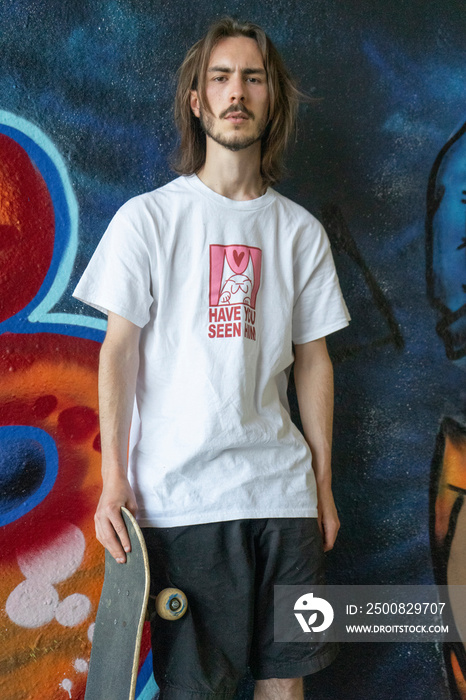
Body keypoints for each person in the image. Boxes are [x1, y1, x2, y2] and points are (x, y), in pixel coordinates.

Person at [74, 16, 350, 700]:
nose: (237, 92)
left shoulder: (300, 233)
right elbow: (119, 351)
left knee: (287, 686)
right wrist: (115, 481)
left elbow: (314, 361)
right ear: (197, 101)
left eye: (252, 78)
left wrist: (322, 484)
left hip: (284, 499)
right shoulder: (149, 220)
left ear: (271, 99)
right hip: (182, 502)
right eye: (220, 78)